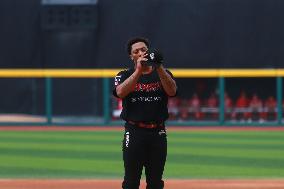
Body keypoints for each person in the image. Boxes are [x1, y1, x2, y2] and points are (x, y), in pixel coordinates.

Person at [113, 37, 177, 189]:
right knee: (131, 182)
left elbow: (172, 91)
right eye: (136, 51)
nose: (141, 53)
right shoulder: (123, 74)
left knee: (155, 182)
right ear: (131, 56)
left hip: (158, 132)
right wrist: (138, 71)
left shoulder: (163, 73)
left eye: (143, 50)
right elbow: (120, 92)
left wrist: (159, 66)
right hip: (134, 131)